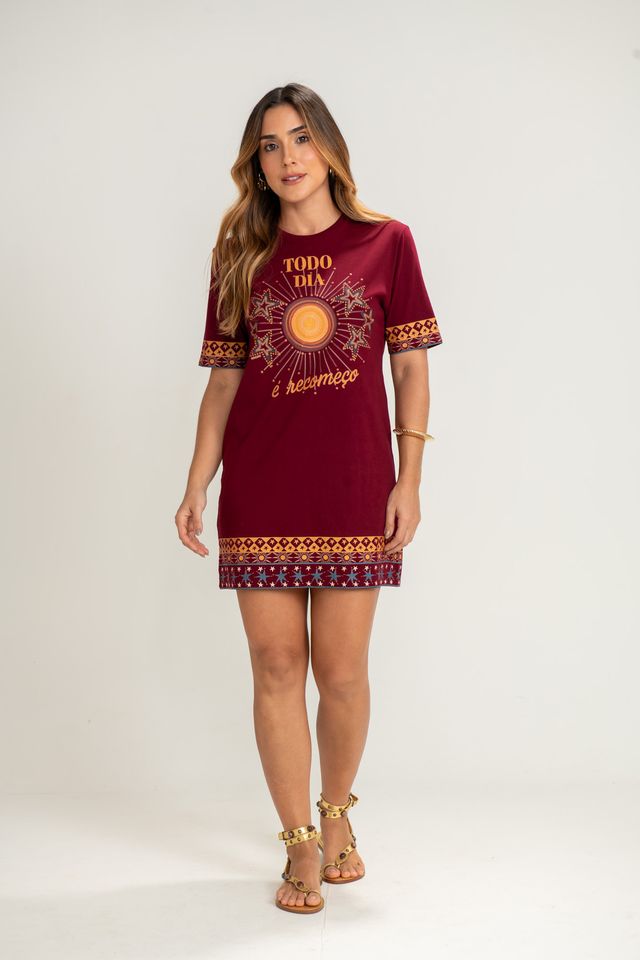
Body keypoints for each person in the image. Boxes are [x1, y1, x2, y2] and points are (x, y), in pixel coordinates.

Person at [175, 82, 443, 915]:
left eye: (300, 138)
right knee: (276, 665)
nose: (287, 158)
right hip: (262, 486)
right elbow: (224, 383)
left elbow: (410, 368)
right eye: (270, 145)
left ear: (327, 147)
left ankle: (336, 816)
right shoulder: (239, 254)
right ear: (255, 164)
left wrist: (409, 480)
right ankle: (297, 842)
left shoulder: (387, 242)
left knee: (342, 671)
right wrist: (196, 483)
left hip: (355, 486)